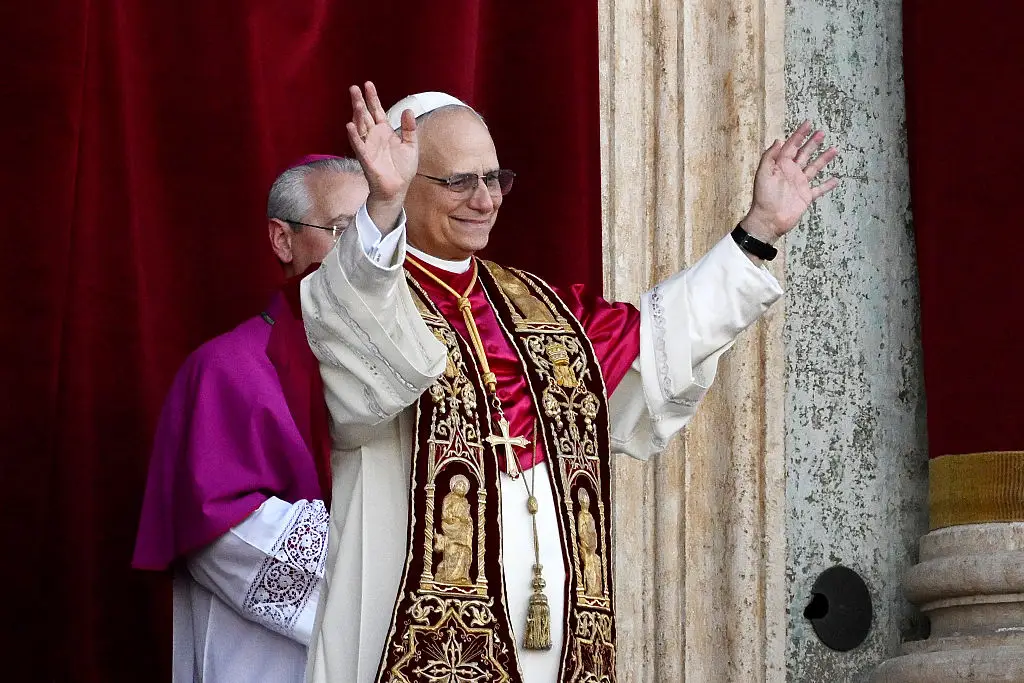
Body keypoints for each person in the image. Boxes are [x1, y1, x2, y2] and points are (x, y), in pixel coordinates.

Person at [302, 82, 838, 682]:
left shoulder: (541, 309)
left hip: (556, 644)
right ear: (403, 180)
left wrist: (757, 231)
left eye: (495, 179)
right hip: (404, 641)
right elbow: (357, 372)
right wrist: (381, 209)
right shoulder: (364, 293)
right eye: (459, 181)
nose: (484, 200)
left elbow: (659, 343)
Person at [132, 155, 368, 682]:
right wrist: (380, 553)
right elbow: (221, 533)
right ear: (282, 241)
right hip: (265, 657)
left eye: (380, 231)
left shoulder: (410, 361)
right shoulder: (226, 368)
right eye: (344, 231)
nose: (368, 253)